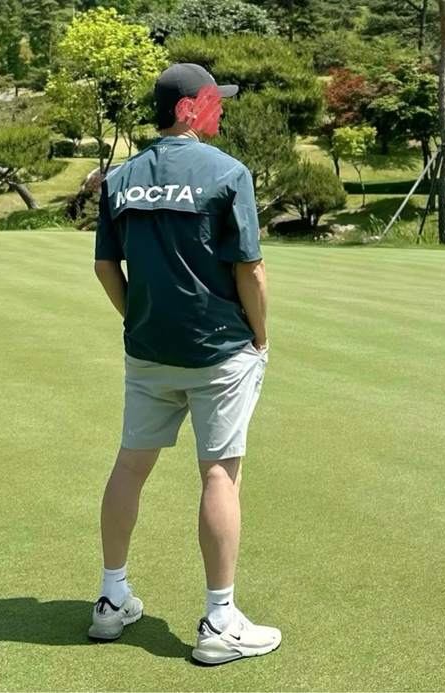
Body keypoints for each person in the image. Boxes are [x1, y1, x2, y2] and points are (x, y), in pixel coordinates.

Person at [90, 63, 280, 666]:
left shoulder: (120, 177)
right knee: (219, 474)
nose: (219, 109)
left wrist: (137, 319)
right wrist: (261, 337)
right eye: (212, 101)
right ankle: (220, 621)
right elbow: (250, 268)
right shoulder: (228, 172)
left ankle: (111, 599)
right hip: (217, 350)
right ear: (188, 108)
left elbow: (105, 266)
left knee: (130, 466)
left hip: (149, 351)